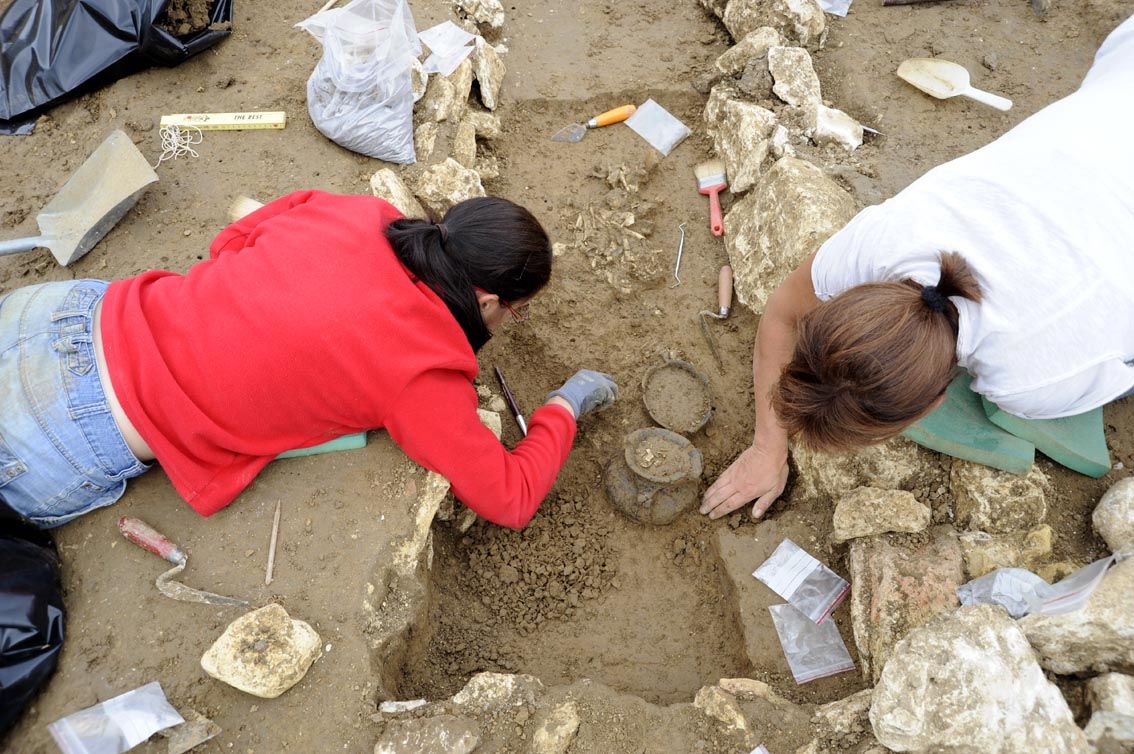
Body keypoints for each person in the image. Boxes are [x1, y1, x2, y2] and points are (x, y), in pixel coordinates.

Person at [701, 13, 1134, 521]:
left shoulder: (1027, 384)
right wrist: (766, 446)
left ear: (933, 407)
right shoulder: (882, 241)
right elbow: (783, 315)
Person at [0, 190, 618, 530]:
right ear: (487, 300)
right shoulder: (424, 377)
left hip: (57, 311)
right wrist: (564, 405)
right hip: (64, 431)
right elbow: (510, 497)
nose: (514, 323)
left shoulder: (362, 213)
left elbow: (232, 237)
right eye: (519, 311)